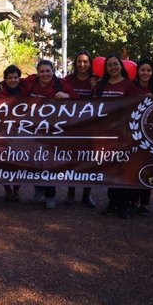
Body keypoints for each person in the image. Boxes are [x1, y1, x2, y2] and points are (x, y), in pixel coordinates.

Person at [23, 59, 77, 209]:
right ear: (37, 72)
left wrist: (66, 97)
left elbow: (79, 101)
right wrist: (1, 86)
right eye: (42, 71)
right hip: (33, 129)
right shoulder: (31, 81)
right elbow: (15, 83)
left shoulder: (61, 85)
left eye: (48, 71)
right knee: (33, 160)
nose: (45, 74)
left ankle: (50, 194)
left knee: (49, 162)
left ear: (53, 71)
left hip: (53, 131)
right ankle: (38, 189)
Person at [95, 54, 139, 219]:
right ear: (106, 69)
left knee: (123, 169)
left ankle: (123, 205)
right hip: (106, 133)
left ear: (121, 66)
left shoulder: (128, 85)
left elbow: (135, 105)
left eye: (115, 64)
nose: (113, 67)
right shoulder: (101, 85)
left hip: (123, 132)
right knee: (111, 168)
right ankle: (112, 203)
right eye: (109, 65)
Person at [64, 50, 97, 208]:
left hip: (91, 126)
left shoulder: (95, 80)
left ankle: (86, 194)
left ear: (90, 63)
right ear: (75, 63)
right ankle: (71, 193)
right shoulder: (68, 80)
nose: (82, 65)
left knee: (89, 159)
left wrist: (94, 88)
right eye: (79, 61)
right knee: (72, 159)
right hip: (72, 125)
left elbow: (102, 101)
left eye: (85, 62)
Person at [129, 58, 153, 216]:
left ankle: (145, 203)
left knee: (149, 166)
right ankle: (133, 200)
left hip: (152, 134)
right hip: (133, 132)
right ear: (137, 71)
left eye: (148, 70)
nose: (145, 73)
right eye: (142, 70)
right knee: (134, 166)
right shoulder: (131, 87)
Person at [0, 64, 24, 201]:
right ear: (5, 79)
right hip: (4, 130)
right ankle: (7, 189)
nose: (13, 80)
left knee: (18, 161)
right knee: (5, 162)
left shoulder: (25, 91)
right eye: (9, 78)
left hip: (20, 130)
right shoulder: (0, 92)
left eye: (15, 77)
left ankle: (17, 189)